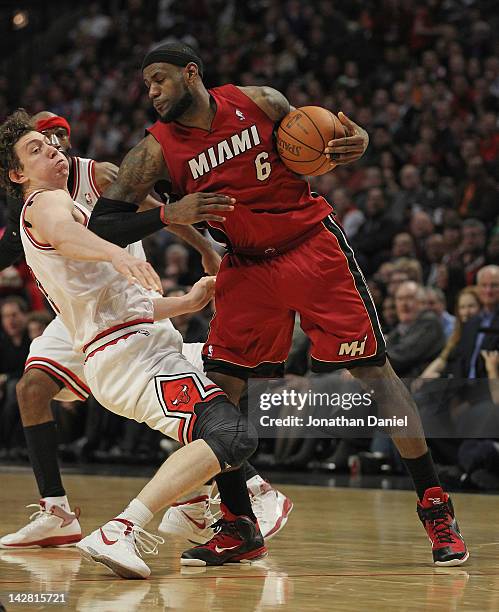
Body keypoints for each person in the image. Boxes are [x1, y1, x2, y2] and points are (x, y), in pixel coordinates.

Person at [90, 41, 467, 566]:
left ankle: (436, 508)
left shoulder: (261, 101)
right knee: (221, 392)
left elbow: (323, 143)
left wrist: (353, 141)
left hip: (310, 246)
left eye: (159, 79)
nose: (150, 91)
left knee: (376, 375)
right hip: (246, 264)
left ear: (191, 73)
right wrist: (171, 214)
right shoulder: (154, 151)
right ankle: (240, 524)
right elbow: (102, 223)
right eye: (146, 82)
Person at [0, 112, 291, 551]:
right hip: (109, 334)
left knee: (223, 377)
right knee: (34, 388)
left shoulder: (99, 177)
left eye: (54, 139)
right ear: (17, 171)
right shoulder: (43, 202)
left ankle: (208, 505)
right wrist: (118, 256)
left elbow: (156, 221)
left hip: (127, 317)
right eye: (38, 146)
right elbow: (62, 235)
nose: (53, 148)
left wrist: (191, 296)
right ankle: (111, 521)